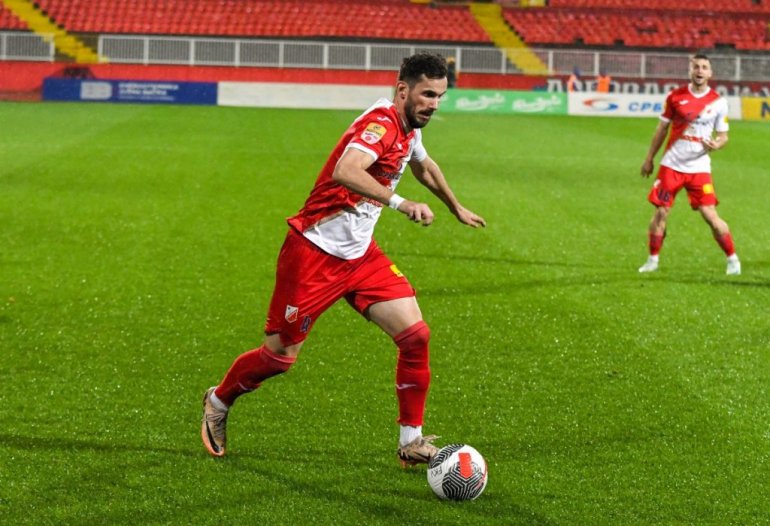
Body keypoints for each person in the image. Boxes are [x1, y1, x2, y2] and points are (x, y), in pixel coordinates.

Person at [200, 53, 486, 466]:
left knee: (415, 337)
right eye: (427, 94)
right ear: (402, 90)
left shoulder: (409, 127)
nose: (434, 104)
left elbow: (424, 166)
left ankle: (411, 440)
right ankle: (219, 400)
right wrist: (401, 202)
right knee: (279, 358)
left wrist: (456, 207)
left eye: (440, 96)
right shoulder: (381, 124)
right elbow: (346, 169)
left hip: (361, 257)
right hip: (314, 254)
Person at [639, 53, 740, 275]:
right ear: (690, 71)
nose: (700, 71)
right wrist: (649, 159)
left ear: (710, 73)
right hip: (671, 165)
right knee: (661, 212)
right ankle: (652, 260)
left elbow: (723, 136)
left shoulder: (719, 102)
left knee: (709, 215)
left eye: (704, 67)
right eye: (696, 67)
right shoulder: (675, 97)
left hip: (699, 168)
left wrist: (717, 144)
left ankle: (732, 259)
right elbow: (661, 129)